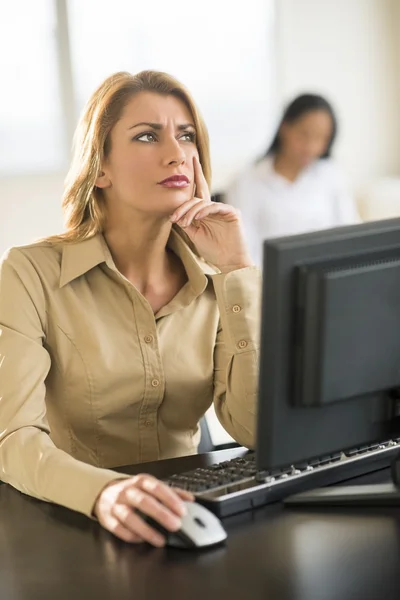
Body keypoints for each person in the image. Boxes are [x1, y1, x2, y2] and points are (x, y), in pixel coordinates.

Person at [0, 70, 260, 547]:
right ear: (100, 168)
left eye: (186, 136)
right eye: (147, 136)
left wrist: (238, 272)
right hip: (71, 520)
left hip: (189, 511)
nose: (176, 153)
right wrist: (105, 492)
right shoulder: (28, 273)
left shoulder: (217, 282)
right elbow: (12, 439)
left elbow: (255, 429)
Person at [226, 94, 360, 266]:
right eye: (304, 134)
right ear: (285, 128)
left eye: (321, 138)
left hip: (325, 279)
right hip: (268, 285)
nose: (311, 146)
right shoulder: (246, 182)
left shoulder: (331, 176)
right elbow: (243, 252)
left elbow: (350, 236)